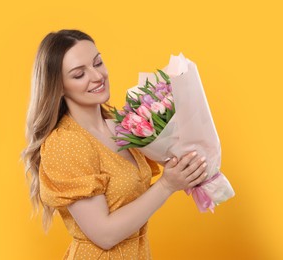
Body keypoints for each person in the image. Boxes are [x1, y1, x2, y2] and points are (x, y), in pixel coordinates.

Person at [20, 29, 208, 259]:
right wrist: (167, 185)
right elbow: (104, 235)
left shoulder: (120, 125)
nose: (97, 76)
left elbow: (173, 163)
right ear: (58, 87)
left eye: (97, 63)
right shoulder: (67, 143)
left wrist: (193, 165)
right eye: (79, 74)